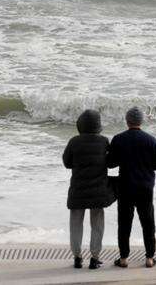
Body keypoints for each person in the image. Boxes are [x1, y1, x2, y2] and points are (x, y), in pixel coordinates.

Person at [108, 107, 156, 268]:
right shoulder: (151, 140)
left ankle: (124, 258)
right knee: (148, 223)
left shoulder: (118, 139)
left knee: (124, 223)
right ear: (141, 121)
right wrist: (147, 166)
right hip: (145, 187)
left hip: (125, 186)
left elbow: (110, 163)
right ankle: (149, 258)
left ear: (127, 121)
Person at [63, 109, 115, 270]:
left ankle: (77, 257)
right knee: (97, 224)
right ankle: (94, 258)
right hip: (98, 191)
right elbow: (111, 162)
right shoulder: (103, 141)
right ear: (97, 125)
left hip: (78, 190)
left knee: (76, 223)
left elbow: (67, 163)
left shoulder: (74, 141)